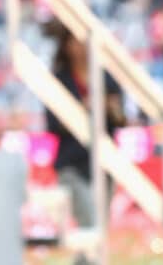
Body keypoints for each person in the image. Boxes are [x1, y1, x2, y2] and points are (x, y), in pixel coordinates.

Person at [43, 19, 126, 265]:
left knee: (96, 233)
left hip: (105, 165)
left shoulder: (105, 76)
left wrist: (110, 108)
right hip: (72, 165)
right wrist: (84, 108)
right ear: (66, 45)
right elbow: (52, 124)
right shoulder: (59, 79)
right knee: (91, 225)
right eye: (74, 40)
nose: (80, 46)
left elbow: (122, 119)